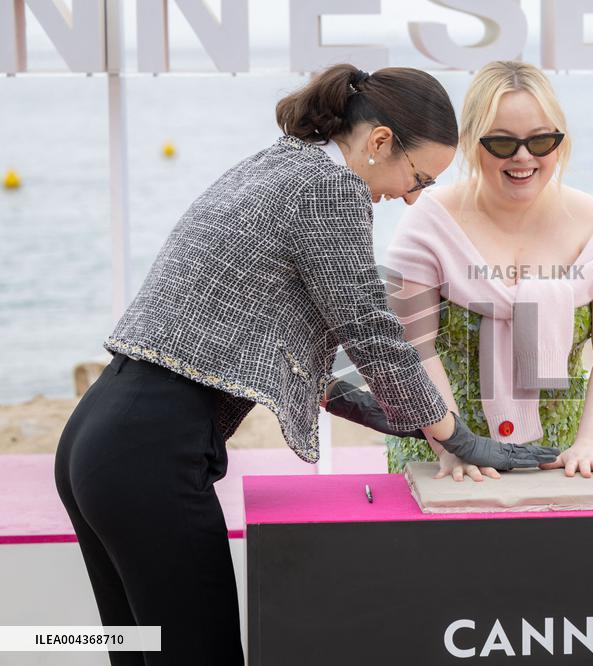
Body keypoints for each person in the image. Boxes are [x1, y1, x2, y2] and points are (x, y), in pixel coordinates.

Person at [54, 64, 558, 666]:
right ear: (379, 142)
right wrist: (460, 438)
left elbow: (269, 341)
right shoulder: (331, 189)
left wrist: (386, 414)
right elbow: (371, 331)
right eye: (418, 176)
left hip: (95, 439)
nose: (412, 196)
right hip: (148, 453)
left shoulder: (278, 163)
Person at [382, 60, 593, 481]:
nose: (523, 157)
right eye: (502, 143)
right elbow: (413, 347)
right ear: (471, 143)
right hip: (440, 455)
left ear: (560, 141)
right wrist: (453, 448)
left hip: (559, 456)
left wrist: (592, 443)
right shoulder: (430, 221)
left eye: (541, 141)